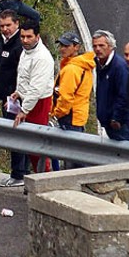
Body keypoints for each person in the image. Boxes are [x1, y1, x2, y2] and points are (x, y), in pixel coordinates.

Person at [11, 21, 56, 172]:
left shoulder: (42, 57)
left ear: (37, 37)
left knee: (37, 145)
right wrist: (19, 92)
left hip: (39, 103)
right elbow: (24, 75)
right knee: (31, 146)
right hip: (28, 101)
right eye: (22, 36)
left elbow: (36, 88)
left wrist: (24, 110)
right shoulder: (27, 50)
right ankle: (38, 176)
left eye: (29, 36)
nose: (25, 40)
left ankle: (45, 178)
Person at [0, 9, 28, 188]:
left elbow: (20, 75)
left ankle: (19, 174)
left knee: (16, 137)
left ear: (16, 24)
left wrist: (12, 97)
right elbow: (3, 70)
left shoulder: (18, 46)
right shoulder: (5, 43)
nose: (5, 29)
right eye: (2, 26)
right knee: (14, 136)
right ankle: (20, 173)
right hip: (6, 97)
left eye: (8, 25)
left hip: (15, 100)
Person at [51, 32, 95, 169]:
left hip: (70, 117)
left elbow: (66, 97)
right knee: (75, 155)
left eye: (66, 45)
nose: (62, 49)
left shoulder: (72, 68)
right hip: (77, 116)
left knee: (73, 159)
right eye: (61, 45)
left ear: (76, 47)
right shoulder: (81, 65)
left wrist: (56, 113)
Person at [93, 29, 129, 142]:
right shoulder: (100, 63)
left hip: (121, 125)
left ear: (111, 46)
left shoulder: (119, 67)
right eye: (95, 46)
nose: (97, 49)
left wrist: (116, 118)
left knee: (127, 157)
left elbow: (125, 94)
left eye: (101, 45)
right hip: (108, 122)